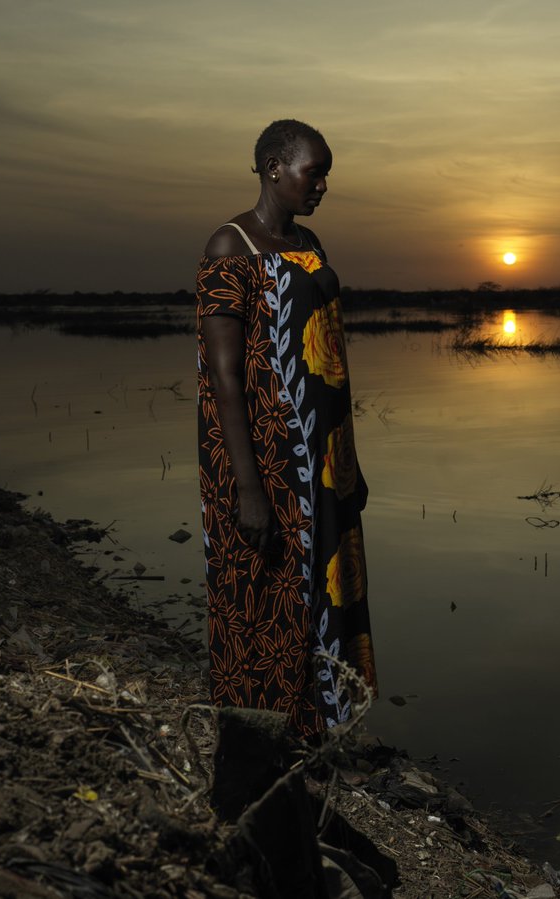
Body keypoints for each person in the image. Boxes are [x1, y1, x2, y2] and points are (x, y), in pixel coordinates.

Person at [195, 120, 377, 738]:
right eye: (313, 173)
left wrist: (348, 462)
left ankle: (313, 733)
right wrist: (248, 489)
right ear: (274, 167)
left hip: (321, 457)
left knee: (323, 590)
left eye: (326, 175)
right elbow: (223, 377)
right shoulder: (231, 245)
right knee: (265, 598)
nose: (322, 185)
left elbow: (327, 355)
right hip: (266, 458)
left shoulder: (309, 241)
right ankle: (256, 741)